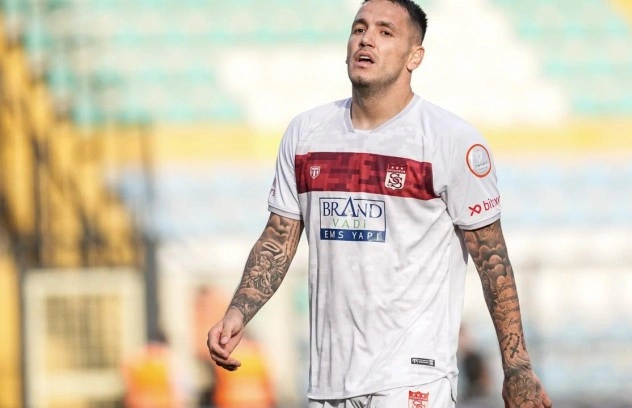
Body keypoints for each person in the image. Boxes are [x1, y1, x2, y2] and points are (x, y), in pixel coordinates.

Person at [207, 1, 551, 407]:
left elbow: (493, 262)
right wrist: (238, 311)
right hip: (329, 382)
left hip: (412, 377)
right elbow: (278, 238)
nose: (366, 39)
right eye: (359, 28)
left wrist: (517, 368)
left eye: (385, 32)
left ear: (414, 57)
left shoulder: (451, 141)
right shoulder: (305, 134)